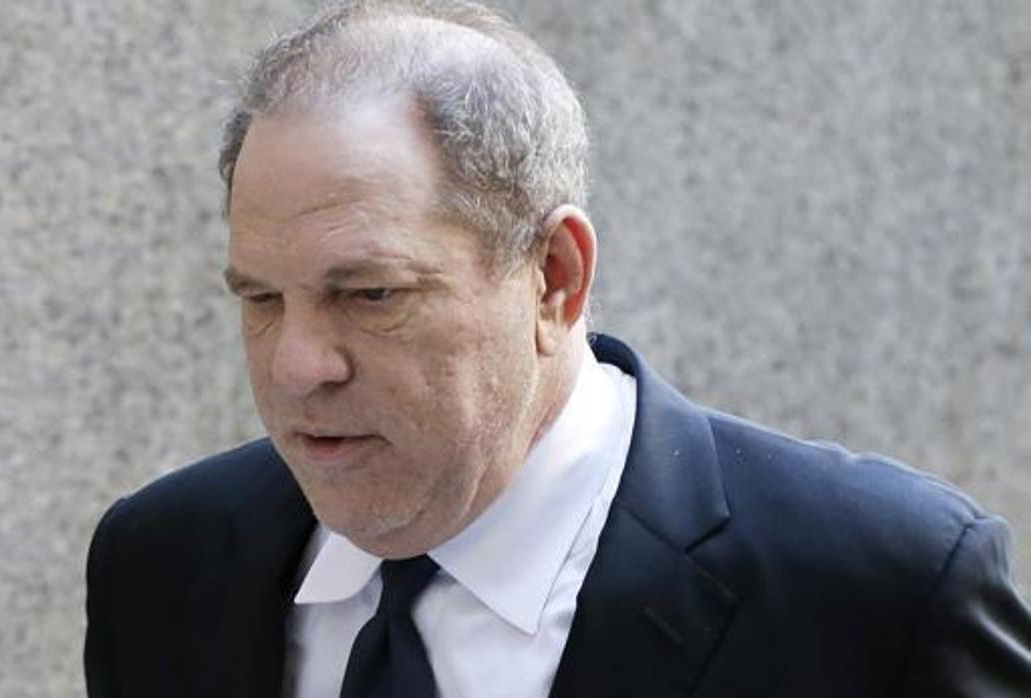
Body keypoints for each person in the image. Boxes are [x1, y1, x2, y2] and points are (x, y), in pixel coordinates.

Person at [83, 1, 1031, 696]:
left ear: (554, 277)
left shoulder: (883, 588)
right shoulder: (164, 564)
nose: (298, 366)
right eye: (260, 299)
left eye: (371, 295)